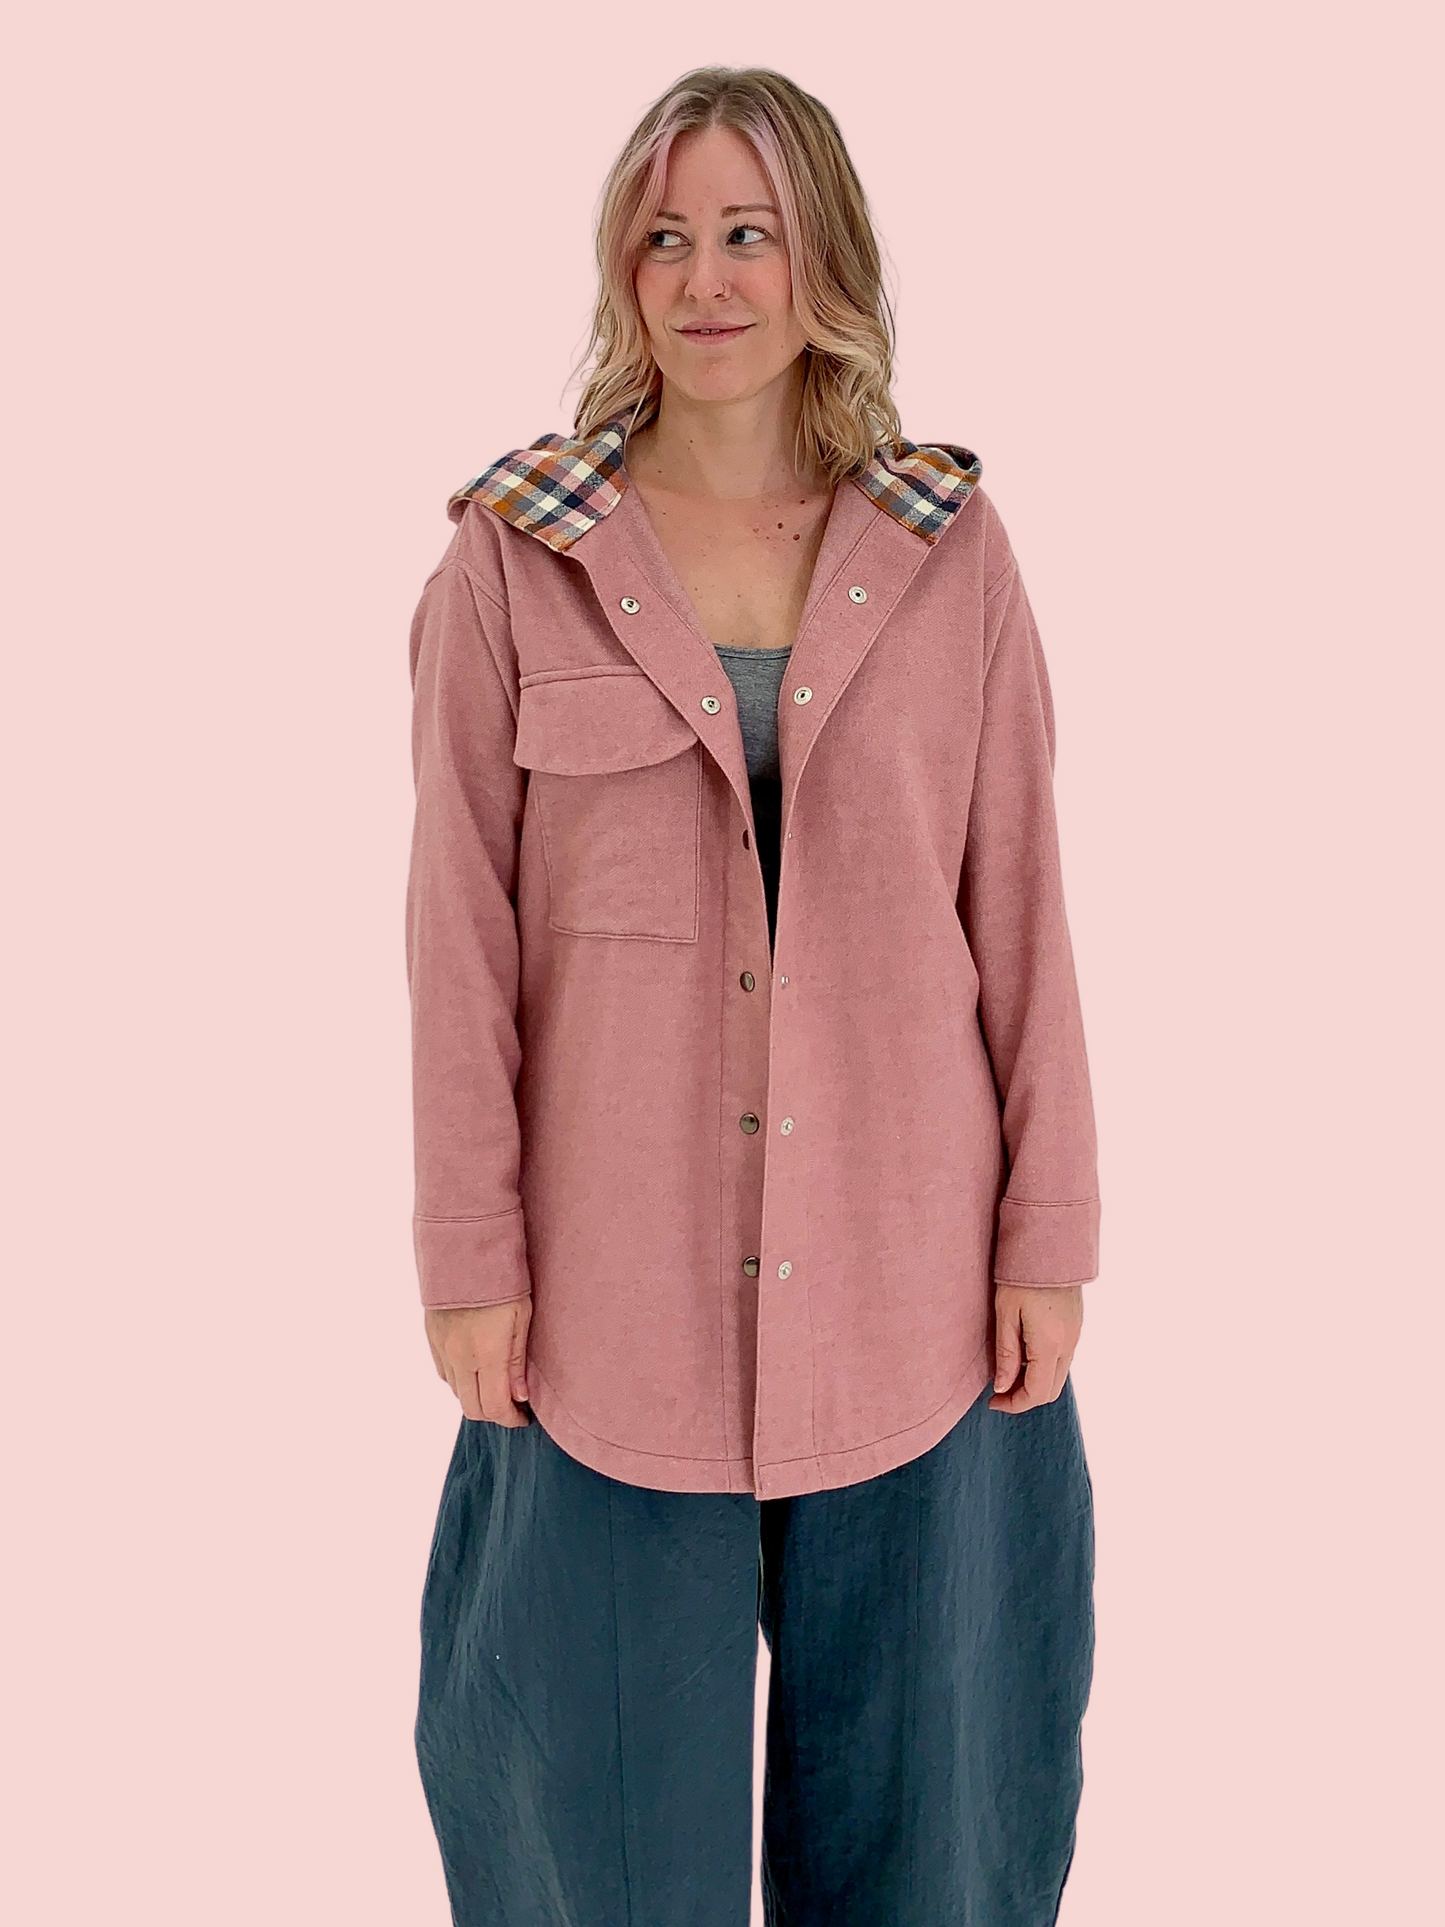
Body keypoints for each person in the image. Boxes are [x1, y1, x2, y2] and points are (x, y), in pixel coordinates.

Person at [405, 64, 1099, 1927]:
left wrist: (1048, 1230)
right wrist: (471, 1253)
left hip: (914, 1286)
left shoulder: (948, 549)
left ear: (824, 262)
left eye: (748, 232)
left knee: (937, 1828)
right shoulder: (513, 561)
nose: (704, 278)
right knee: (587, 1831)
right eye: (664, 237)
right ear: (619, 272)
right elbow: (459, 934)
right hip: (609, 1302)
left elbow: (1023, 905)